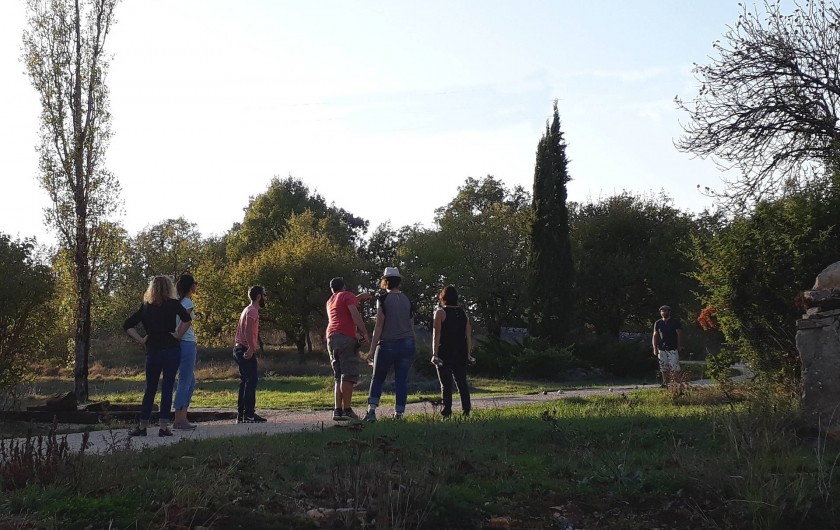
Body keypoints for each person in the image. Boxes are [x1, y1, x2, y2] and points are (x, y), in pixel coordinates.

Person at [123, 275, 193, 437]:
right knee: (167, 387)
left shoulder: (147, 307)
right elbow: (187, 319)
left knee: (150, 388)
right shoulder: (174, 304)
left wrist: (141, 339)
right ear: (169, 288)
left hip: (153, 349)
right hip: (171, 348)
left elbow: (127, 325)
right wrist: (178, 335)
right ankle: (163, 426)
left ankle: (142, 425)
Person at [364, 267, 416, 422]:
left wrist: (372, 350)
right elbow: (411, 325)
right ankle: (399, 413)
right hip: (407, 343)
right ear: (398, 281)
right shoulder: (408, 300)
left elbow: (379, 326)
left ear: (385, 281)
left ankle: (372, 411)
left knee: (378, 378)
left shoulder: (383, 299)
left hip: (387, 343)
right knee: (401, 380)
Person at [325, 277, 372, 422]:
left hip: (331, 338)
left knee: (338, 376)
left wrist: (359, 298)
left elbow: (345, 305)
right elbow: (354, 313)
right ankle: (347, 409)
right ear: (344, 286)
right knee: (348, 375)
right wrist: (364, 332)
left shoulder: (330, 300)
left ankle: (337, 410)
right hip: (345, 337)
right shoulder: (347, 296)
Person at [431, 285, 474, 418]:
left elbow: (436, 335)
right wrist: (468, 353)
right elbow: (468, 335)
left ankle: (447, 410)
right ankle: (466, 409)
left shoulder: (440, 313)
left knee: (446, 384)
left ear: (442, 298)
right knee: (461, 382)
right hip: (460, 351)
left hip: (445, 352)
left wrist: (434, 354)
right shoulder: (463, 313)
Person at [233, 285, 269, 423]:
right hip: (244, 349)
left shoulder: (247, 310)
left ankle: (241, 415)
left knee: (245, 382)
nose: (266, 298)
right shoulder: (252, 311)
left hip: (238, 348)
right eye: (264, 295)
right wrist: (251, 348)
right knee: (251, 381)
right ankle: (249, 415)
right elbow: (248, 330)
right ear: (259, 297)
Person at [173, 274, 199, 430]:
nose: (197, 286)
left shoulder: (179, 302)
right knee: (186, 380)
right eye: (195, 283)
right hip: (187, 343)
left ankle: (182, 415)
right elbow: (186, 322)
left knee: (189, 380)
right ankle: (180, 418)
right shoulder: (188, 302)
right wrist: (178, 336)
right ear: (191, 286)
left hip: (182, 343)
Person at [652, 304, 682, 387]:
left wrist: (679, 345)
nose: (663, 312)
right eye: (662, 311)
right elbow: (655, 335)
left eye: (665, 310)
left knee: (674, 366)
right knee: (663, 366)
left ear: (669, 312)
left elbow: (679, 334)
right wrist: (655, 348)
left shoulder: (675, 322)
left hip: (672, 347)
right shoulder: (658, 323)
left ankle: (675, 383)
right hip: (661, 347)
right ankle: (664, 383)